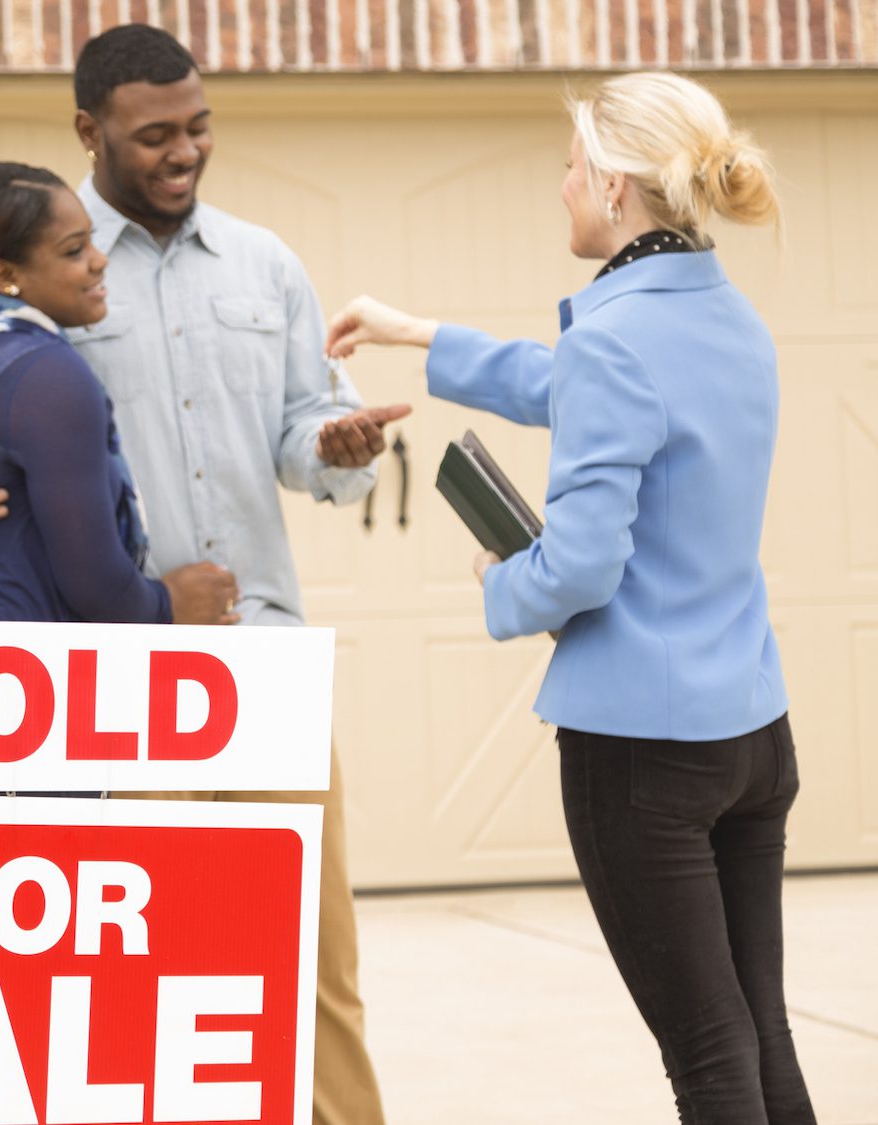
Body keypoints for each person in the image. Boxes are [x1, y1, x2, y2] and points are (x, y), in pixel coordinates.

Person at [0, 26, 402, 1125]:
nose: (180, 152)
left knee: (313, 961)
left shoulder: (265, 264)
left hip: (259, 655)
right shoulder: (27, 259)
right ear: (87, 131)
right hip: (113, 691)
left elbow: (305, 430)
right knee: (138, 975)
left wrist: (334, 451)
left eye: (196, 127)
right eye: (151, 134)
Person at [326, 71, 811, 1125]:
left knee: (706, 1056)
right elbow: (565, 383)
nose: (558, 190)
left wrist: (504, 583)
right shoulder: (727, 319)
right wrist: (415, 329)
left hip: (640, 753)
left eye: (567, 168)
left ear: (613, 182)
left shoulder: (612, 338)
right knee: (755, 1033)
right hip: (749, 737)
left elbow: (580, 568)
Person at [0, 160, 236, 626]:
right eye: (75, 250)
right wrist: (170, 603)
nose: (100, 259)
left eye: (91, 240)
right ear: (6, 275)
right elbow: (95, 587)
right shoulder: (45, 374)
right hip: (15, 674)